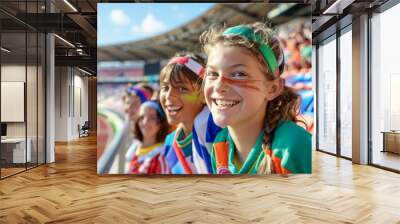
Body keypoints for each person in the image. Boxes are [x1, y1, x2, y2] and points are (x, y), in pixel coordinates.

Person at [200, 23, 311, 174]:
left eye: (239, 74)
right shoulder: (220, 145)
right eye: (212, 74)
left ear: (273, 89)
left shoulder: (293, 145)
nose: (219, 86)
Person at [159, 52, 220, 174]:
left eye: (182, 89)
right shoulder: (171, 142)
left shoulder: (218, 131)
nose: (169, 97)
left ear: (204, 94)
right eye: (165, 88)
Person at [125, 101, 169, 174]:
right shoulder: (134, 149)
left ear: (161, 123)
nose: (145, 122)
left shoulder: (161, 156)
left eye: (152, 118)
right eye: (142, 117)